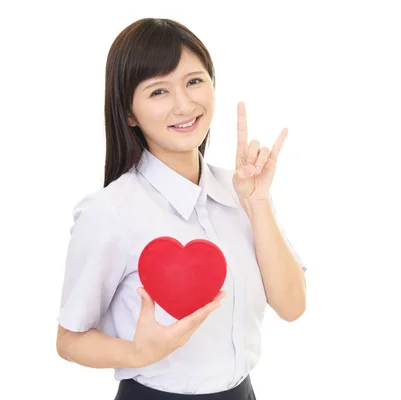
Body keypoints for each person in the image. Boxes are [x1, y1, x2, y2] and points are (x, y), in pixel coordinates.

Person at [55, 17, 307, 400]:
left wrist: (257, 204)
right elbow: (69, 339)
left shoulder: (244, 190)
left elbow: (292, 306)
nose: (185, 104)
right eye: (158, 92)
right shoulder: (110, 211)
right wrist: (139, 352)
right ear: (128, 114)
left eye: (194, 81)